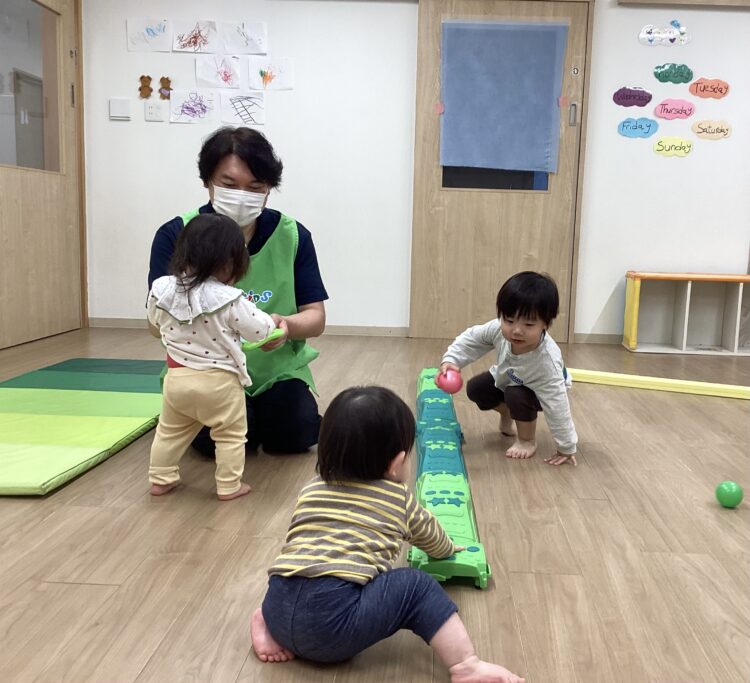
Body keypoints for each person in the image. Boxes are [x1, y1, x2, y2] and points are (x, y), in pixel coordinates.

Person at [250, 386, 526, 683]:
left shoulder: (311, 489)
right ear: (396, 464)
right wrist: (448, 549)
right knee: (416, 584)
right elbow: (432, 538)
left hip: (279, 604)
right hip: (331, 631)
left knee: (300, 573)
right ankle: (466, 665)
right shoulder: (397, 498)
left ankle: (263, 620)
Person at [148, 127, 327, 455]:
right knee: (219, 443)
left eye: (255, 188)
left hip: (275, 370)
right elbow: (155, 321)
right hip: (202, 371)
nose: (242, 196)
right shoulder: (176, 234)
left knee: (295, 433)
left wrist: (286, 326)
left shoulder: (292, 236)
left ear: (268, 190)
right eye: (229, 185)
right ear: (208, 182)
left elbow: (315, 317)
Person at [147, 214, 276, 500]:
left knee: (169, 432)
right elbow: (260, 331)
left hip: (177, 379)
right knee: (230, 435)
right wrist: (273, 323)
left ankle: (160, 478)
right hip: (219, 384)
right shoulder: (229, 298)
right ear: (233, 263)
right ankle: (229, 486)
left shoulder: (162, 289)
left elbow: (154, 322)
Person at [439, 271, 577, 466]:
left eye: (529, 324)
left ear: (545, 324)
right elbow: (472, 339)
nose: (517, 330)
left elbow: (558, 407)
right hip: (509, 377)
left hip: (540, 392)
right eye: (509, 320)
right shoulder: (498, 329)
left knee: (516, 394)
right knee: (476, 388)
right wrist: (452, 360)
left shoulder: (547, 364)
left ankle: (527, 440)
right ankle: (507, 411)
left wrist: (566, 446)